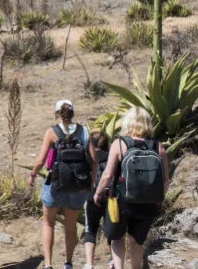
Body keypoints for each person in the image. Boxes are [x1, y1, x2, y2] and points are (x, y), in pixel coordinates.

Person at [94, 107, 169, 269]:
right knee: (137, 241)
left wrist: (98, 193)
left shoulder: (120, 144)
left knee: (117, 238)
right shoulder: (158, 146)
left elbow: (107, 174)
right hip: (148, 202)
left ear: (128, 122)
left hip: (122, 201)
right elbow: (165, 179)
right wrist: (160, 199)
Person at [30, 99, 96, 269]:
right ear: (72, 113)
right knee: (71, 226)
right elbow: (94, 162)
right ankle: (68, 263)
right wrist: (91, 184)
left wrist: (32, 175)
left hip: (55, 185)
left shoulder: (51, 132)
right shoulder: (84, 131)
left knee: (48, 223)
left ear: (56, 114)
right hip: (77, 186)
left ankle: (49, 265)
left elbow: (40, 161)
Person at [83, 132, 113, 269]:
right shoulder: (112, 158)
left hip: (92, 197)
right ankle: (113, 261)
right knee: (112, 231)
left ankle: (90, 263)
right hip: (111, 197)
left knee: (90, 230)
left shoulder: (87, 159)